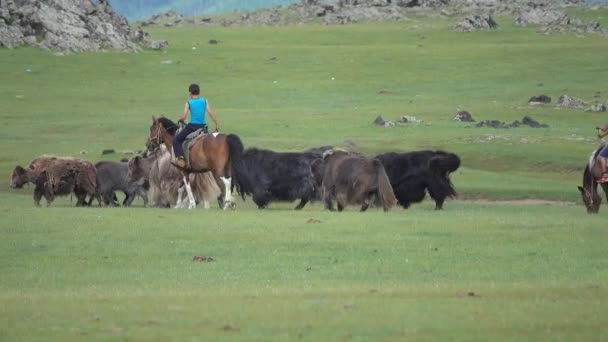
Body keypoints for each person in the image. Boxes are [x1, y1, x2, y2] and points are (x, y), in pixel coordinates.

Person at [172, 83, 219, 168]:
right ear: (199, 92)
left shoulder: (189, 102)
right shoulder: (204, 101)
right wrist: (216, 124)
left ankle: (181, 158)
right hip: (203, 127)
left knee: (176, 140)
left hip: (192, 126)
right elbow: (211, 113)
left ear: (190, 93)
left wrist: (179, 119)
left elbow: (184, 116)